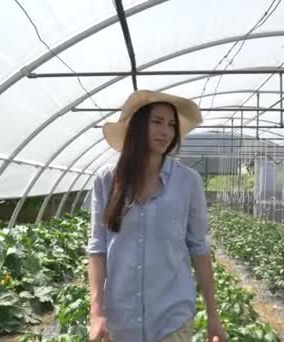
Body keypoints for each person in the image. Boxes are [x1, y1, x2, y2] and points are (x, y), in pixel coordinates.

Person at [86, 90, 226, 342]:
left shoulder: (188, 182)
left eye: (171, 125)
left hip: (172, 315)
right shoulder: (106, 181)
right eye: (157, 122)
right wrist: (96, 312)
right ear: (138, 126)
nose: (166, 131)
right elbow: (98, 248)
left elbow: (198, 247)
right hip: (120, 318)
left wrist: (213, 317)